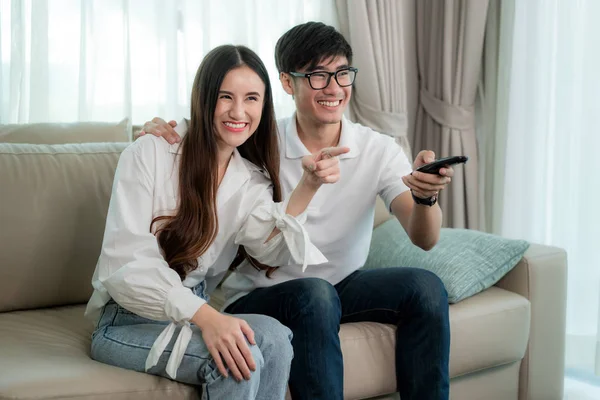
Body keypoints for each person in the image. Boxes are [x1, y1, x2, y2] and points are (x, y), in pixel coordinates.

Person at [141, 22, 454, 400]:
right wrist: (158, 130)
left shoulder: (377, 149)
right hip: (261, 293)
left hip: (341, 285)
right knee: (316, 295)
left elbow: (425, 238)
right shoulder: (255, 139)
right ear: (288, 83)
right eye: (318, 76)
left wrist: (425, 197)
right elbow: (208, 131)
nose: (334, 88)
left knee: (425, 288)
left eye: (342, 73)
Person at [85, 44, 349, 400]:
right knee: (240, 361)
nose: (238, 111)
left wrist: (308, 186)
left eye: (252, 98)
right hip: (129, 318)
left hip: (193, 309)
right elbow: (126, 263)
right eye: (226, 96)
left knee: (275, 339)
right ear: (204, 97)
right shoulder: (150, 153)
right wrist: (207, 318)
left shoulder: (251, 179)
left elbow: (268, 248)